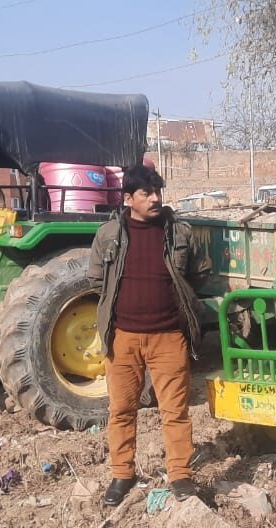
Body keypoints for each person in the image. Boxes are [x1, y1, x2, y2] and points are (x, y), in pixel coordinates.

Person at [87, 164, 210, 507]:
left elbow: (199, 274)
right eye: (146, 193)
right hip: (122, 338)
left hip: (169, 336)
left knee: (175, 411)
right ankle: (122, 474)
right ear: (129, 198)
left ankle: (181, 476)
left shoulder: (180, 233)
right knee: (122, 409)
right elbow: (97, 280)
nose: (155, 199)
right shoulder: (108, 235)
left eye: (158, 191)